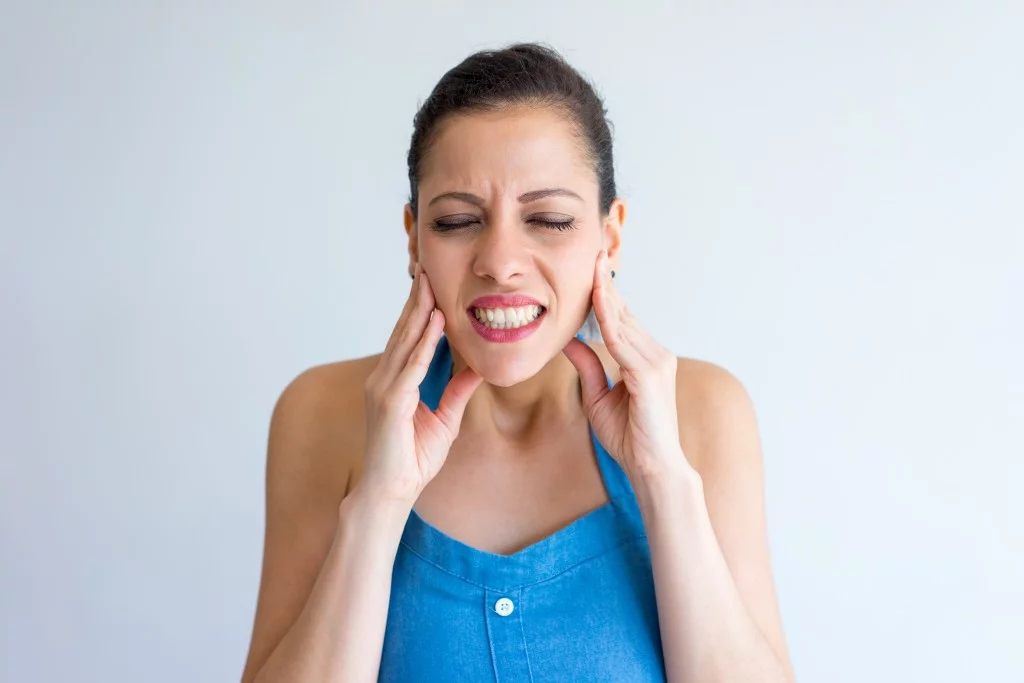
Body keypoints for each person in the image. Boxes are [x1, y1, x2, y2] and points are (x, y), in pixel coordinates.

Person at [240, 42, 795, 683]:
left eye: (549, 219)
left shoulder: (702, 412)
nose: (500, 261)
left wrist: (662, 481)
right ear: (412, 237)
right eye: (456, 221)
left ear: (608, 236)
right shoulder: (322, 413)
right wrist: (379, 501)